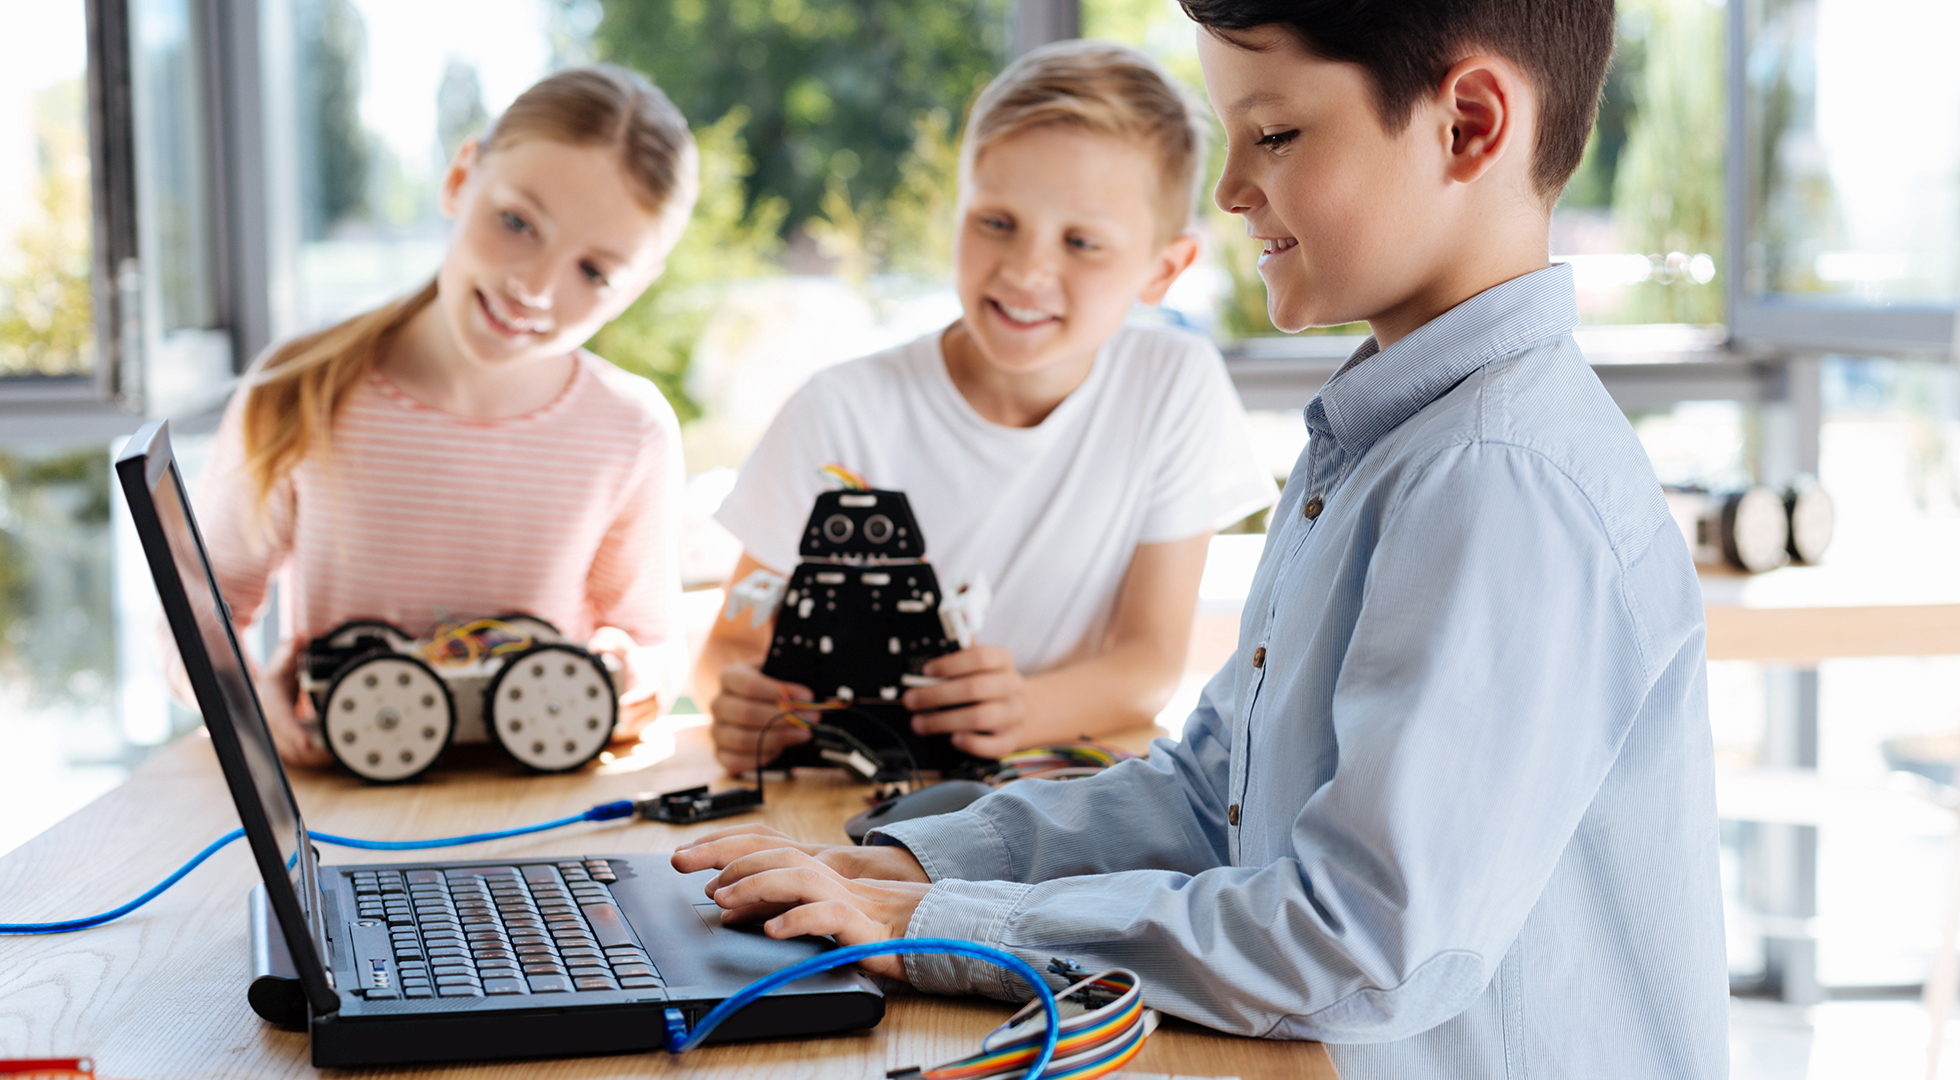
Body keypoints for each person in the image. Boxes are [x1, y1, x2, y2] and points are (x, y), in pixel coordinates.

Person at [672, 4, 1730, 1078]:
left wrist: (947, 926)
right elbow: (1212, 791)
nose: (1230, 189)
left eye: (1272, 135)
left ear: (1467, 123)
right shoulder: (1385, 437)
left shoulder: (1498, 477)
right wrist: (905, 865)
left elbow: (1357, 945)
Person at [698, 40, 1277, 774]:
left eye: (1081, 242)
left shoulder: (1173, 384)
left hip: (1065, 791)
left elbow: (1149, 662)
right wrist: (738, 696)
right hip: (847, 789)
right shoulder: (838, 411)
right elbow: (733, 641)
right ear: (958, 211)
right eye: (996, 222)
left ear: (1163, 270)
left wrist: (1025, 709)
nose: (1027, 270)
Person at [197, 66, 698, 767]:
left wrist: (629, 673)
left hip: (540, 806)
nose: (535, 287)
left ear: (637, 287)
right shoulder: (301, 388)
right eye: (518, 222)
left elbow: (651, 640)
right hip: (345, 802)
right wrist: (241, 694)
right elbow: (201, 601)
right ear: (462, 177)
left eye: (593, 273)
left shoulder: (630, 427)